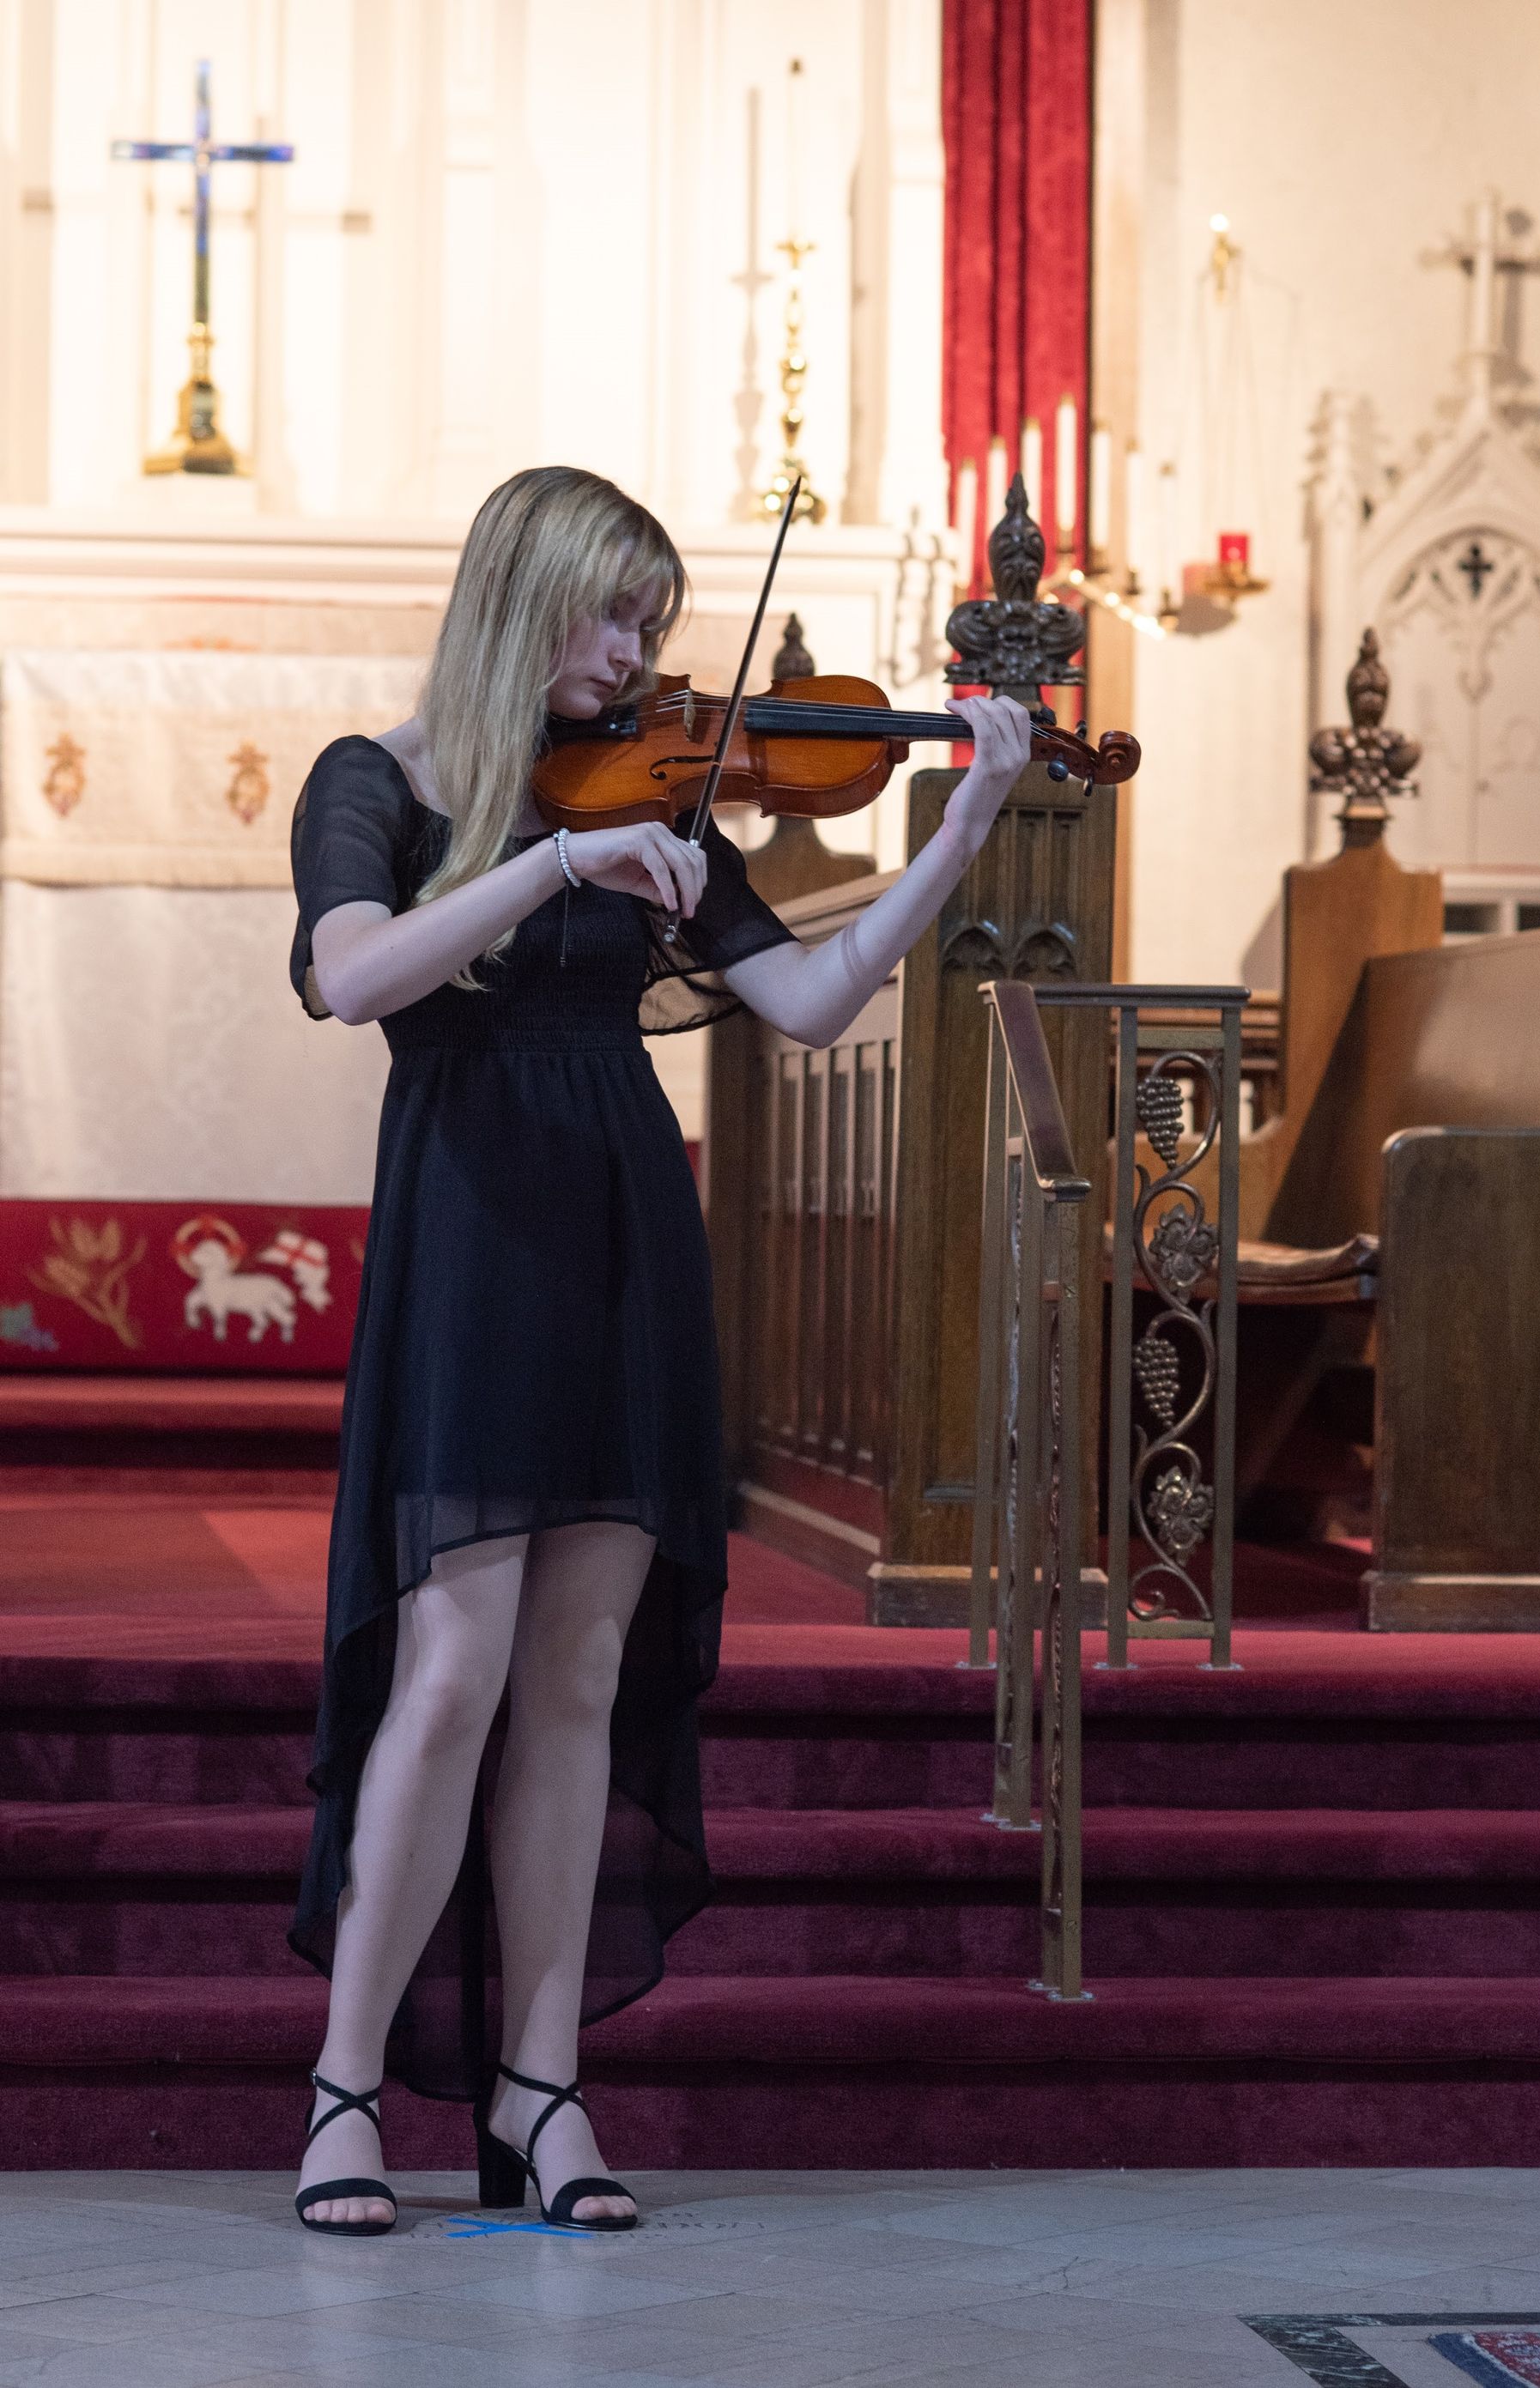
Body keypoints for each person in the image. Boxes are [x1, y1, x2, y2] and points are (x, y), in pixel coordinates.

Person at [287, 464, 1031, 2236]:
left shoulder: (668, 805)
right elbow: (358, 976)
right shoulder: (378, 783)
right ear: (520, 594)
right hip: (473, 1226)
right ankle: (341, 2086)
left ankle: (545, 2089)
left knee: (581, 1674)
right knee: (452, 1667)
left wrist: (961, 829)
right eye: (610, 614)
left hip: (624, 1217)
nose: (635, 657)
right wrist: (547, 857)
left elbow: (808, 1000)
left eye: (651, 622)